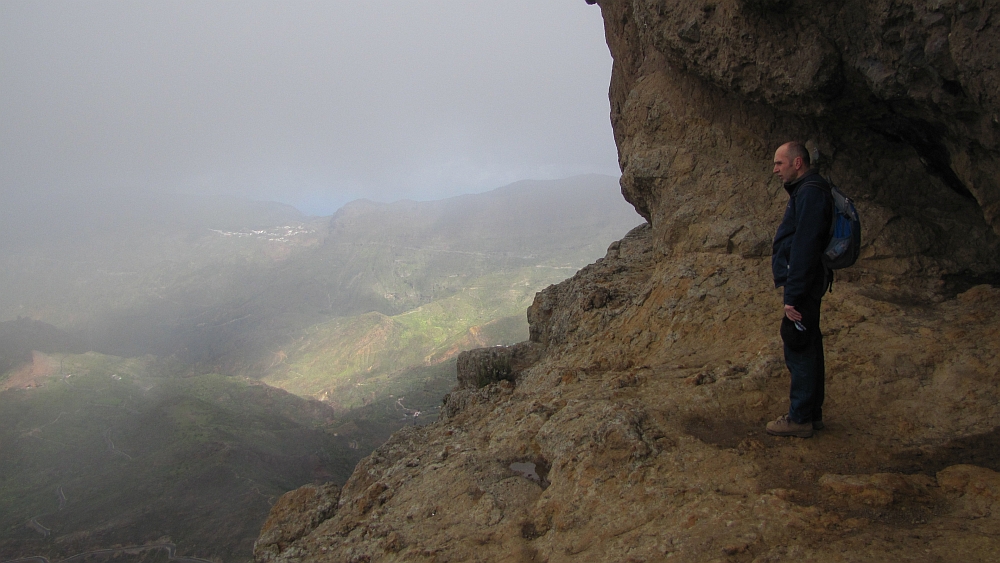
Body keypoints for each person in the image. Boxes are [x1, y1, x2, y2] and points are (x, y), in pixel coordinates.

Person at [767, 141, 833, 438]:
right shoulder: (812, 190)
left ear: (797, 163)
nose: (775, 169)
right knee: (808, 343)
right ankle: (812, 414)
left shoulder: (809, 193)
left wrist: (792, 295)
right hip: (809, 281)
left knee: (798, 343)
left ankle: (800, 418)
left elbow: (804, 247)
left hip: (804, 284)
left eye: (780, 163)